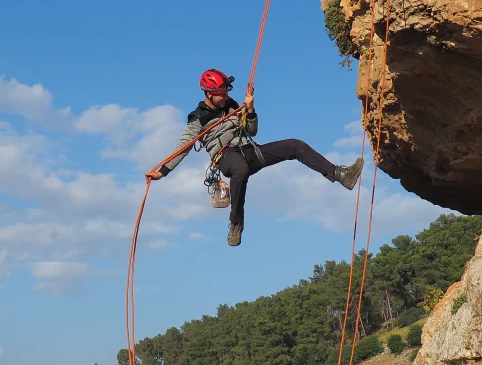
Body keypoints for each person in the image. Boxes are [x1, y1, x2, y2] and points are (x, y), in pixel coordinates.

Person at [146, 69, 364, 246]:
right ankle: (235, 224)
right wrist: (163, 171)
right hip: (227, 157)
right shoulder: (198, 118)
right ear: (208, 94)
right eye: (221, 93)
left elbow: (252, 131)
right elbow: (183, 146)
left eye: (226, 92)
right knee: (239, 170)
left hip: (251, 151)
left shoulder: (232, 105)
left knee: (295, 145)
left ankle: (340, 174)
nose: (225, 96)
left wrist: (250, 111)